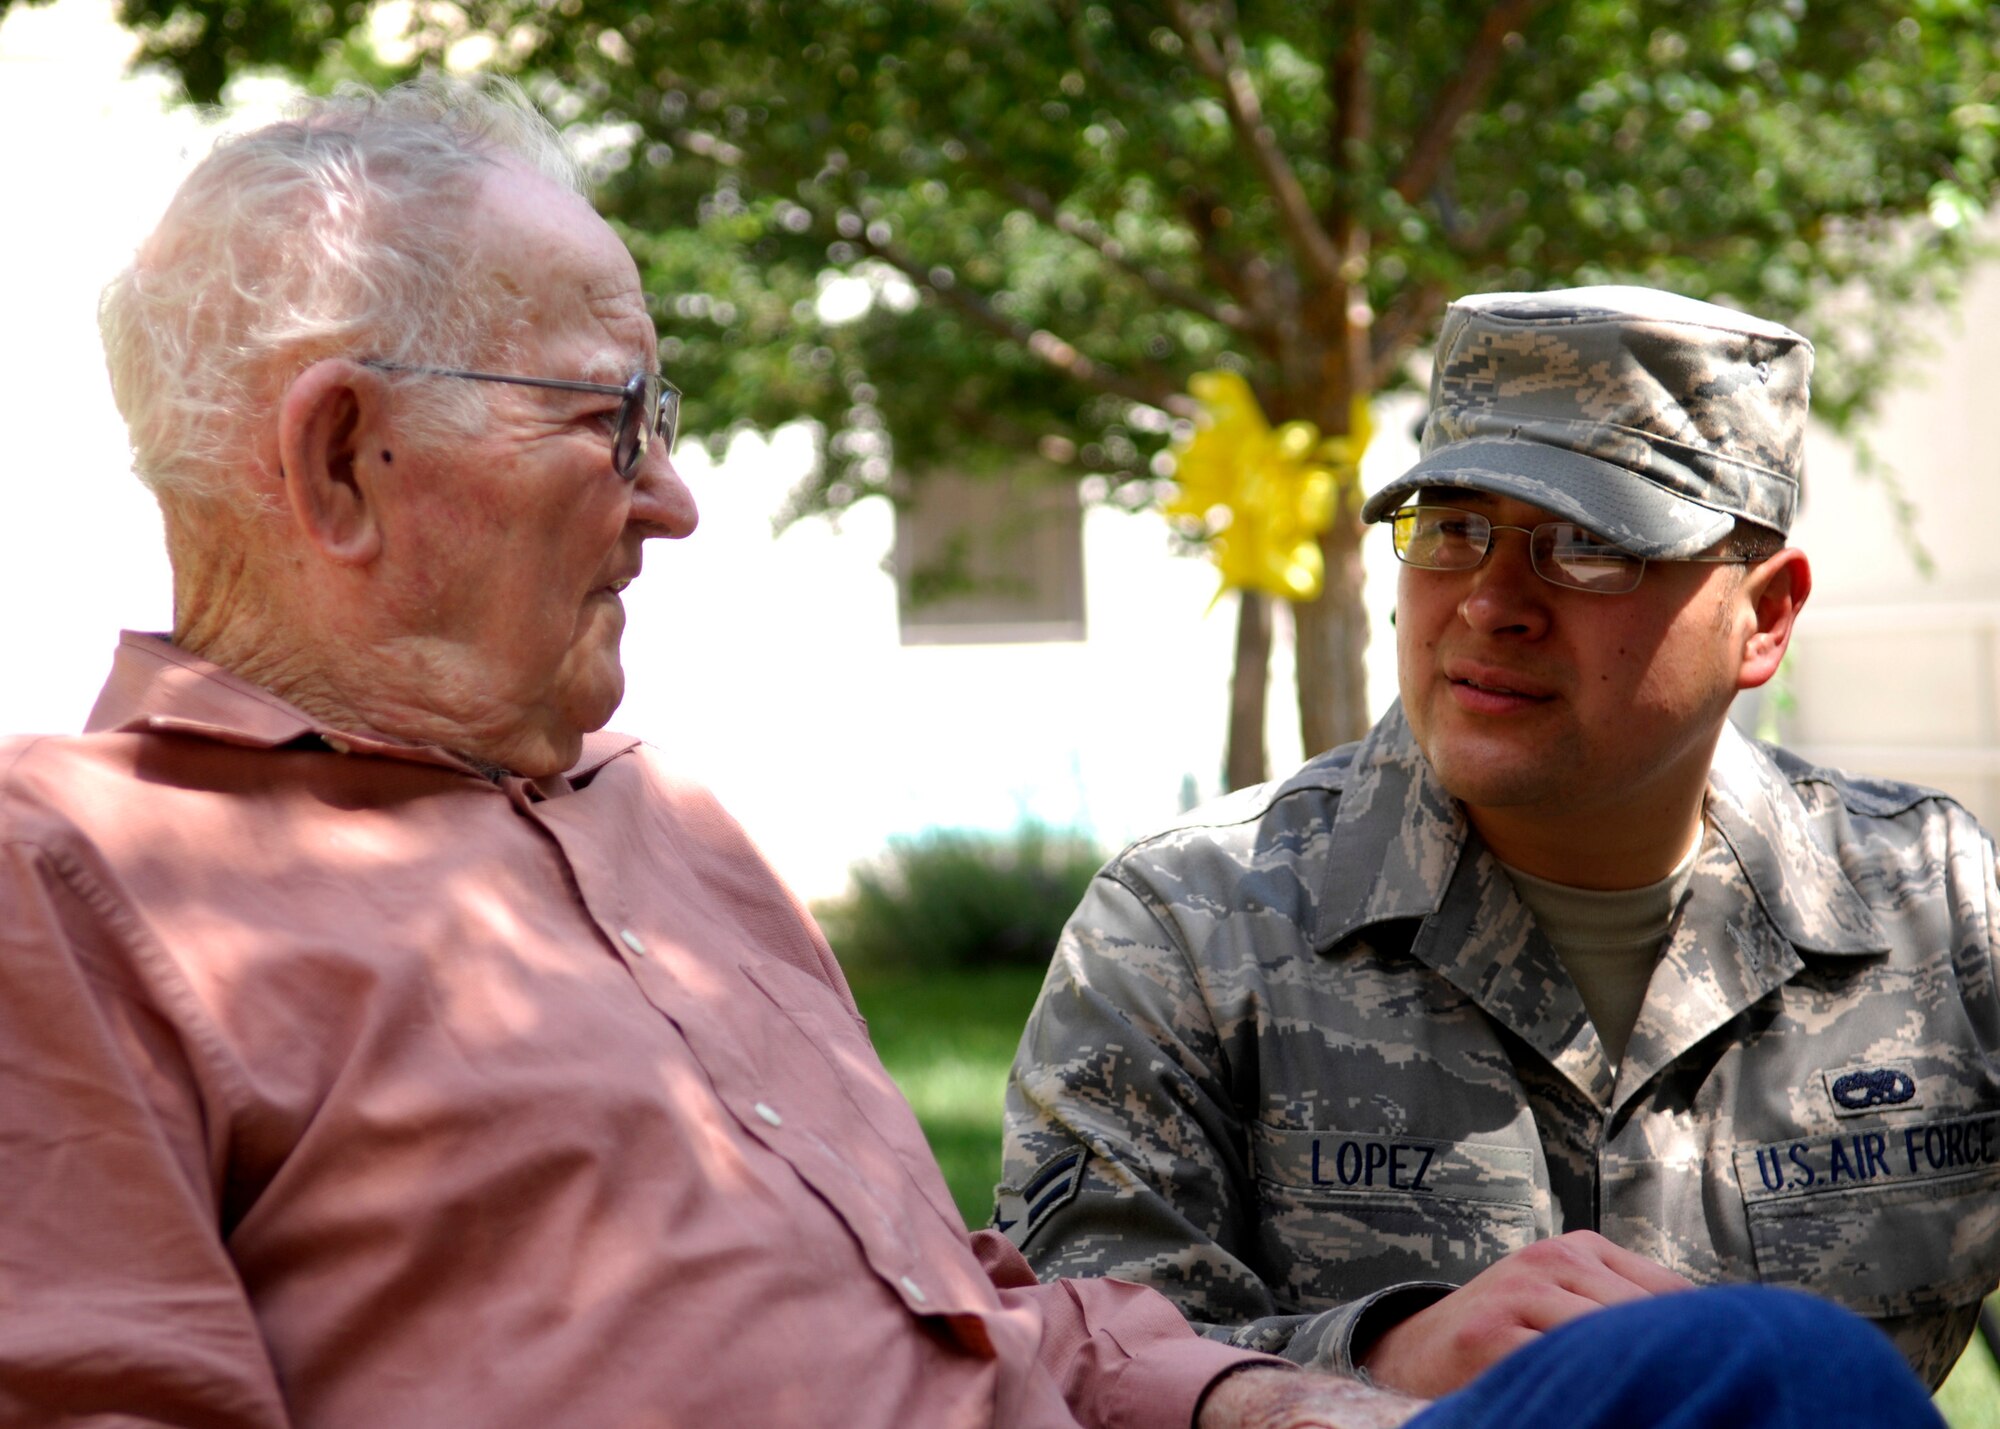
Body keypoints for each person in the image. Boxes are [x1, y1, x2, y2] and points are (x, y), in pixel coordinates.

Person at [0, 79, 1946, 1428]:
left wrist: (1296, 1396)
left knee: (1750, 1377)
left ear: (1759, 613)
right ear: (347, 455)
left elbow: (985, 1313)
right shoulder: (75, 879)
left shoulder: (659, 826)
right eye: (617, 421)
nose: (671, 501)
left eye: (1588, 548)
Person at [999, 285, 2000, 1401]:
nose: (1489, 601)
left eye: (1586, 545)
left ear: (1759, 617)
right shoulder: (1188, 926)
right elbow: (1054, 1367)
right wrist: (1381, 1361)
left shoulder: (1934, 907)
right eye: (1451, 528)